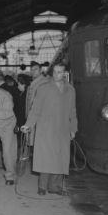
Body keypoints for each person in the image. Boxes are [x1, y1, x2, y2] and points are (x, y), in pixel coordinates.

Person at [21, 63, 77, 195]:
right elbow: (35, 109)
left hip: (63, 128)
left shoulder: (70, 90)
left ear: (65, 73)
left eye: (60, 72)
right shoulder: (43, 88)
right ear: (52, 73)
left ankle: (55, 187)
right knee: (46, 157)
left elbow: (73, 111)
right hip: (46, 128)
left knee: (60, 157)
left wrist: (73, 128)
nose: (57, 75)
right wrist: (28, 125)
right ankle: (42, 186)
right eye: (55, 72)